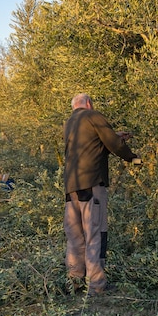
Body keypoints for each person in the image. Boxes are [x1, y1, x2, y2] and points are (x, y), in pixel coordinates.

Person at [63, 93, 141, 296]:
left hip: (71, 188)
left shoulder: (69, 123)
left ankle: (75, 281)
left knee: (75, 237)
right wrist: (134, 159)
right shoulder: (93, 116)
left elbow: (92, 148)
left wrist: (115, 137)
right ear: (88, 104)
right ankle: (97, 286)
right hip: (91, 184)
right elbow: (114, 145)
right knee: (95, 234)